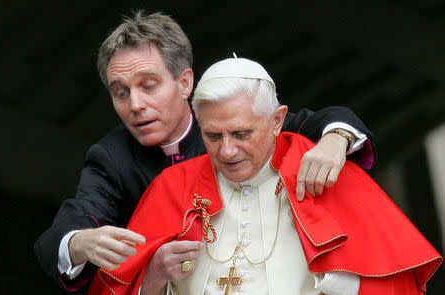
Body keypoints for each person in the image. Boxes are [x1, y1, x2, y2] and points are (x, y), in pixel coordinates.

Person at [34, 10, 376, 292]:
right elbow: (70, 226)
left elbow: (322, 121)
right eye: (120, 93)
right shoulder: (112, 157)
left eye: (148, 86)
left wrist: (336, 140)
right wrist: (79, 242)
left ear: (185, 83)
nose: (135, 105)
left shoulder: (227, 118)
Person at [88, 57, 442, 295]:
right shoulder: (171, 186)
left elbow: (386, 284)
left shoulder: (323, 173)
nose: (227, 151)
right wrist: (153, 276)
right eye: (213, 137)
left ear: (276, 121)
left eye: (241, 134)